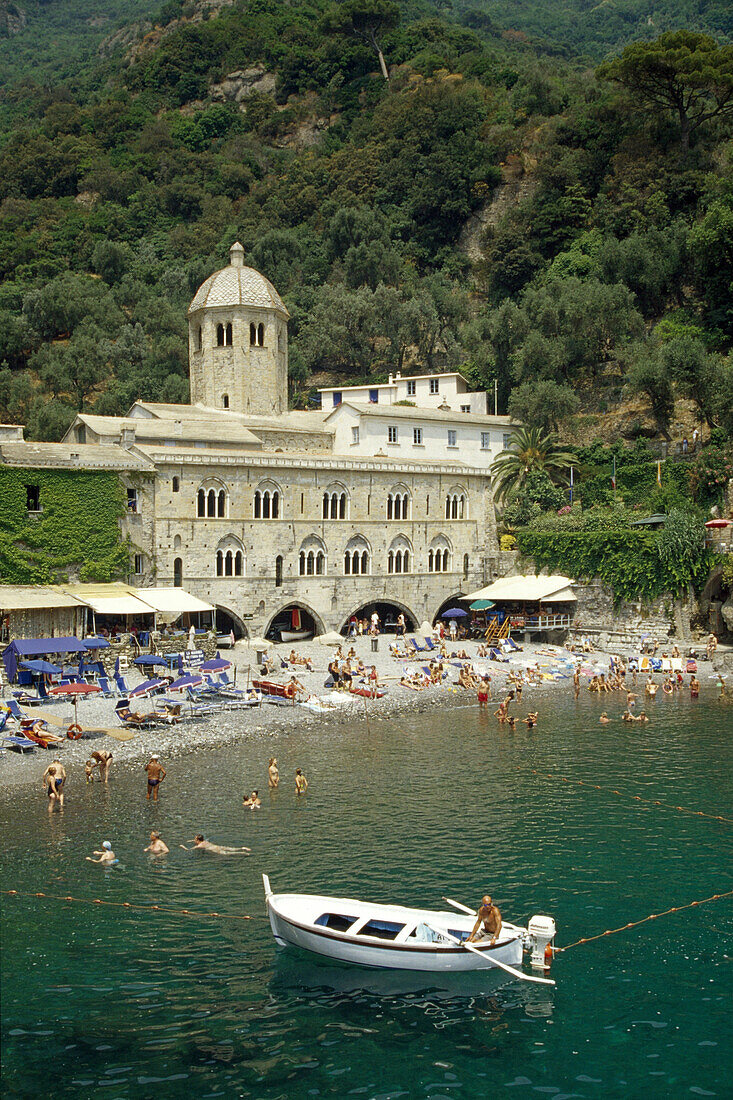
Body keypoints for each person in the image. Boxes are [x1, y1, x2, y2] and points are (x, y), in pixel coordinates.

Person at [180, 834, 251, 855]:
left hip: (215, 850)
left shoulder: (199, 846)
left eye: (195, 839)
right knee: (231, 848)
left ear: (198, 840)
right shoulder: (204, 841)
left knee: (228, 853)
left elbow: (188, 850)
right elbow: (197, 840)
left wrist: (183, 846)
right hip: (217, 846)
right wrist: (191, 840)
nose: (194, 840)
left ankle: (242, 853)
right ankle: (242, 848)